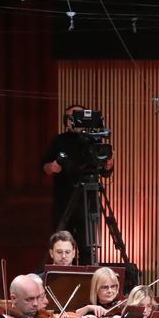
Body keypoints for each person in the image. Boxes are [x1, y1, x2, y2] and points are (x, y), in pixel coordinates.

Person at [42, 104, 114, 264]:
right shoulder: (59, 141)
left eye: (76, 117)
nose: (72, 121)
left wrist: (108, 166)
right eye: (69, 117)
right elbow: (44, 167)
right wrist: (52, 167)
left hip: (89, 202)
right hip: (65, 200)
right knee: (62, 245)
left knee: (88, 248)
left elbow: (104, 171)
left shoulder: (95, 142)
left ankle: (89, 282)